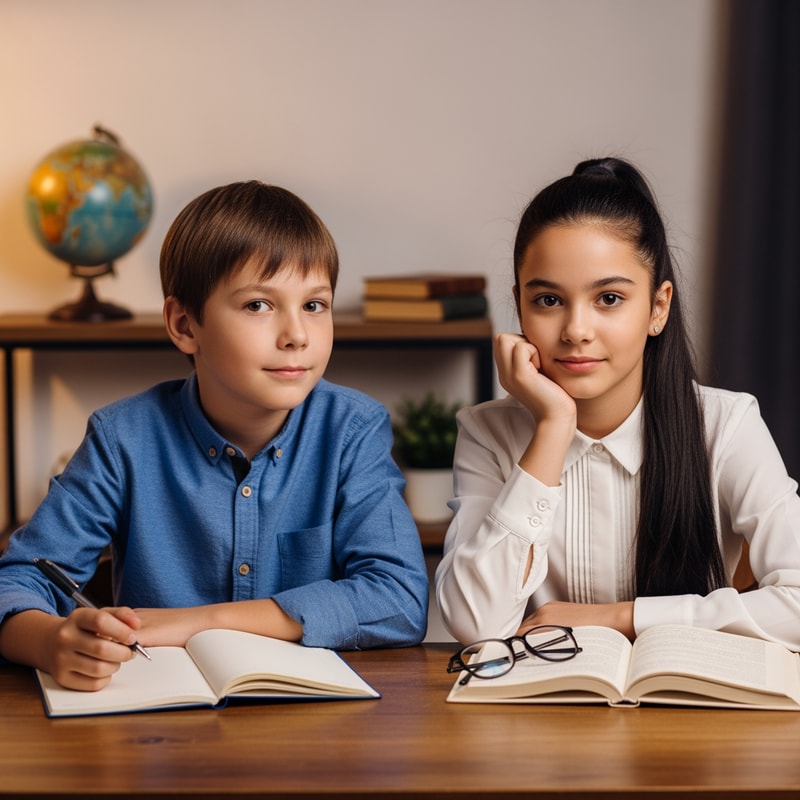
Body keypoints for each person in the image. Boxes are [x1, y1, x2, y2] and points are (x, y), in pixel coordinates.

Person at [0, 180, 428, 690]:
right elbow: (18, 580)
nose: (297, 335)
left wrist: (199, 622)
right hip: (157, 728)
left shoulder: (352, 429)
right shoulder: (122, 438)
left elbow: (399, 599)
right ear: (184, 324)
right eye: (258, 306)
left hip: (315, 732)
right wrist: (50, 640)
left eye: (315, 305)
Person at [435, 157, 800, 650]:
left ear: (658, 307)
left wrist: (619, 618)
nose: (576, 331)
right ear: (519, 304)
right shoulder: (487, 432)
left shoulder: (726, 424)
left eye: (608, 298)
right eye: (548, 300)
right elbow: (474, 622)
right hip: (539, 713)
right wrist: (553, 426)